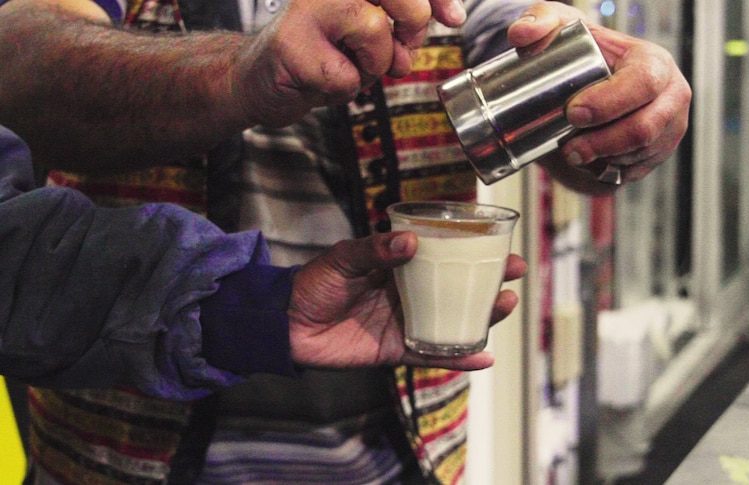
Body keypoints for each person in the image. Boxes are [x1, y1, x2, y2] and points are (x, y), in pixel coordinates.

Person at [0, 0, 691, 483]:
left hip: (404, 458)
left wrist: (609, 111)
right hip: (118, 452)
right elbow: (22, 65)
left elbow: (530, 61)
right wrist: (242, 72)